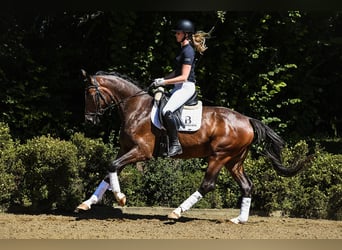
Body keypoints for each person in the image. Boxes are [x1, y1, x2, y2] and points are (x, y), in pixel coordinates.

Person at [150, 19, 212, 157]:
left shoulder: (188, 51)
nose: (176, 35)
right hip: (178, 87)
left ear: (186, 34)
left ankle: (175, 144)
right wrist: (162, 79)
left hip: (186, 87)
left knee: (167, 111)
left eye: (178, 33)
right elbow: (177, 71)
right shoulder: (183, 50)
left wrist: (164, 83)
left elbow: (184, 76)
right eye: (176, 33)